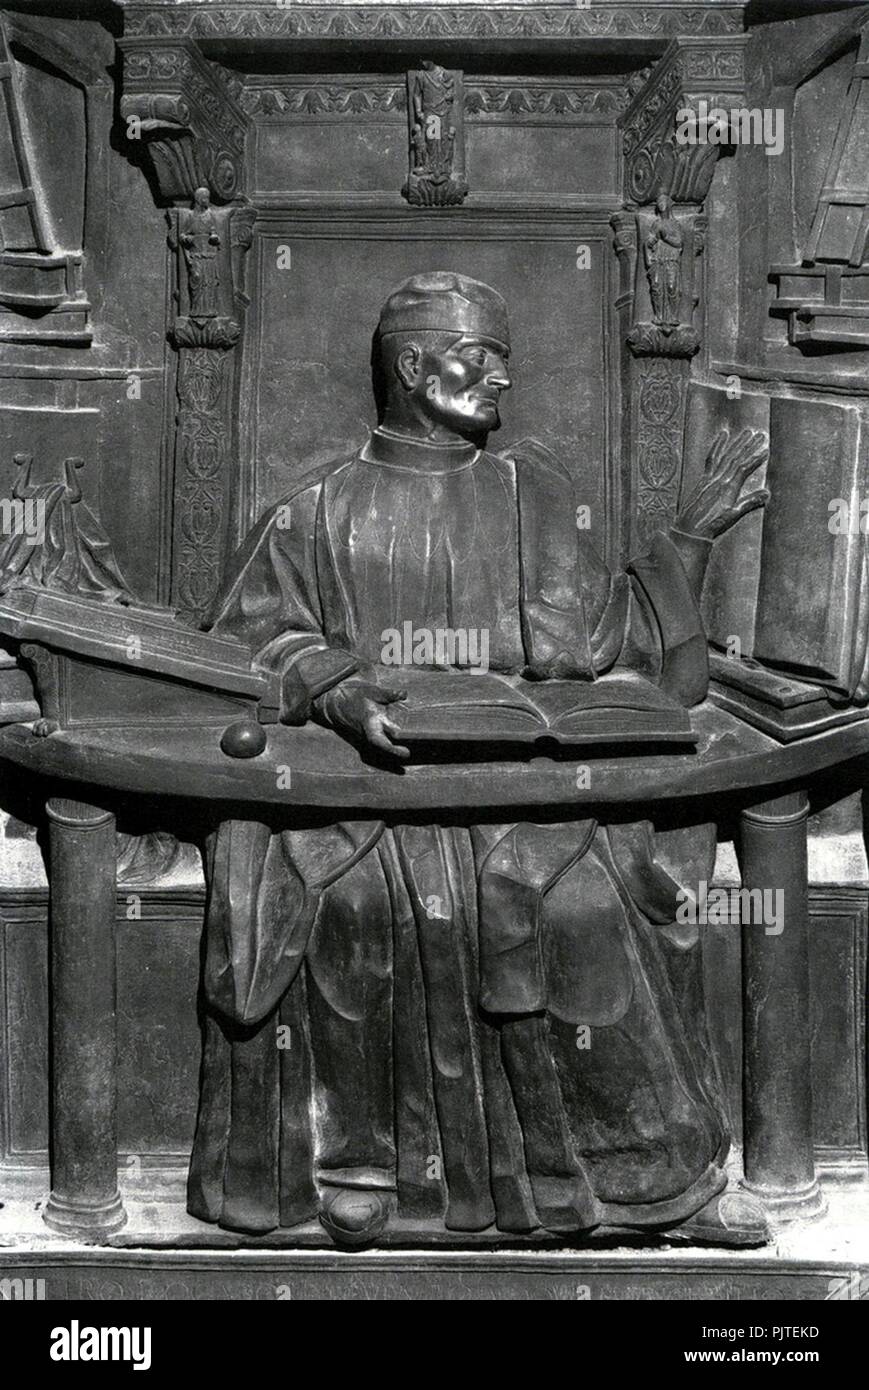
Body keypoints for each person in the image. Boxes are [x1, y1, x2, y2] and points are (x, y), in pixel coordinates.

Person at [188, 271, 770, 1247]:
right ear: (414, 367)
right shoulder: (315, 513)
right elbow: (244, 643)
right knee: (353, 906)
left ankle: (643, 1181)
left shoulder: (532, 496)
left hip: (525, 802)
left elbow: (612, 647)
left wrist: (689, 537)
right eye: (479, 357)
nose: (501, 379)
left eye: (503, 357)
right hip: (364, 799)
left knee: (579, 911)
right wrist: (331, 684)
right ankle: (358, 1159)